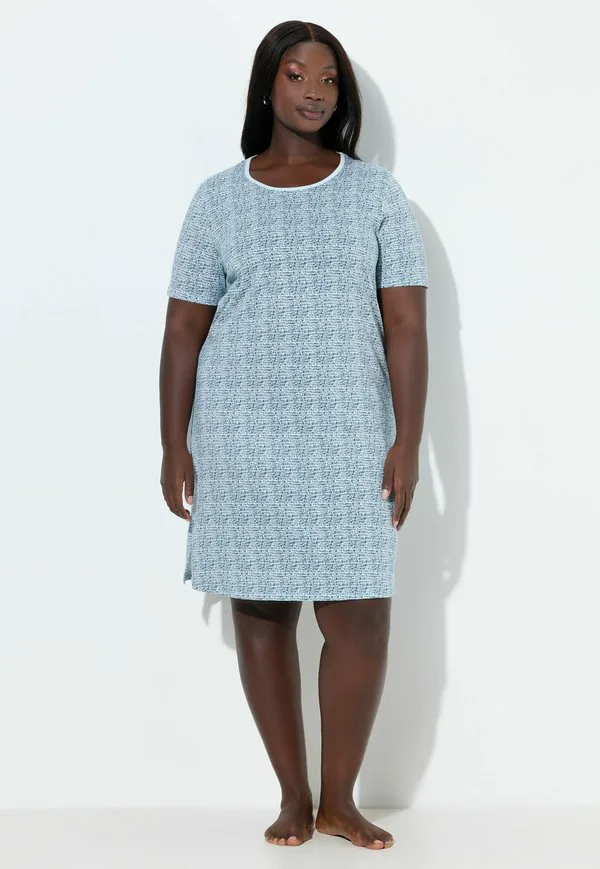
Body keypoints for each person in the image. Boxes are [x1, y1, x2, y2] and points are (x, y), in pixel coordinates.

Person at [159, 20, 429, 851]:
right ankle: (293, 795)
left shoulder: (376, 196)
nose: (314, 92)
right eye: (297, 75)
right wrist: (173, 444)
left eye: (329, 79)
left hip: (351, 433)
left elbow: (407, 326)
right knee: (264, 611)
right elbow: (183, 330)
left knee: (361, 616)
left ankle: (340, 799)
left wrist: (407, 441)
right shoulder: (218, 198)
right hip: (243, 435)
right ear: (267, 85)